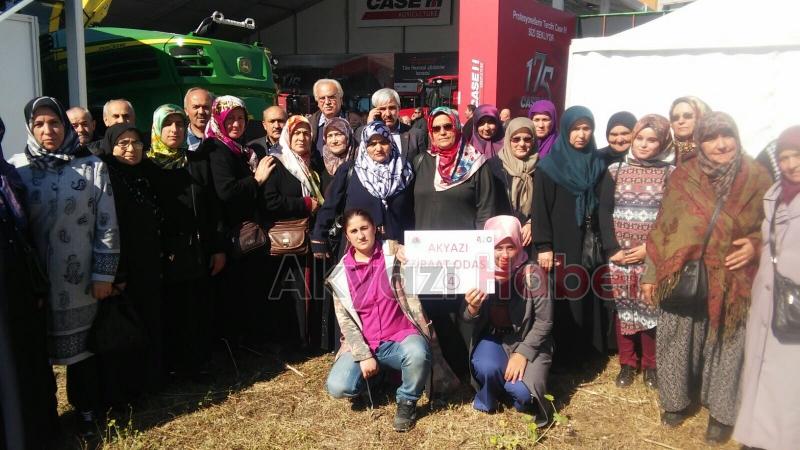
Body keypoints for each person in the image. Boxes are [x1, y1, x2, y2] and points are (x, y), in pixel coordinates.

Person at [641, 112, 771, 444]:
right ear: (700, 142)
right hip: (683, 274)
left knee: (727, 344)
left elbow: (773, 228)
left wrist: (756, 246)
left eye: (726, 135)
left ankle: (722, 413)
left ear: (737, 136)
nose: (721, 144)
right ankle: (675, 401)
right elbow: (662, 227)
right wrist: (651, 275)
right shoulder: (684, 175)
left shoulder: (757, 178)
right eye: (711, 138)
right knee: (676, 337)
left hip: (732, 276)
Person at [10, 96, 120, 436]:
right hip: (36, 284)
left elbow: (107, 223)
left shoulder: (90, 166)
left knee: (81, 353)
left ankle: (85, 413)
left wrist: (104, 274)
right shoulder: (18, 169)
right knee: (35, 355)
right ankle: (45, 418)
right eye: (39, 124)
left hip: (79, 281)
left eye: (54, 123)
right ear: (29, 128)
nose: (48, 130)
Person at [325, 209, 432, 432]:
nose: (361, 235)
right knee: (337, 386)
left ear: (374, 228)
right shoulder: (339, 275)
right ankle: (375, 379)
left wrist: (406, 249)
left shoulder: (394, 255)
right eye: (354, 231)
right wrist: (363, 355)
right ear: (347, 235)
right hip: (366, 342)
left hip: (400, 336)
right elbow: (346, 322)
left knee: (418, 354)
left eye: (364, 228)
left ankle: (407, 400)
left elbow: (423, 258)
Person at [413, 106, 494, 378]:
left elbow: (485, 213)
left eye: (448, 126)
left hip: (464, 258)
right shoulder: (421, 163)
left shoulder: (477, 164)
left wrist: (481, 259)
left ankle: (464, 371)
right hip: (428, 257)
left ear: (458, 128)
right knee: (433, 312)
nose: (442, 132)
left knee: (462, 312)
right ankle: (438, 374)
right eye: (436, 128)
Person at [734, 125, 800, 450]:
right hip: (768, 298)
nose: (791, 164)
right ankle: (757, 437)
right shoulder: (774, 195)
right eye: (785, 157)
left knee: (789, 381)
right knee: (761, 371)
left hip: (795, 305)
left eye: (797, 155)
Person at [148, 104, 226, 378]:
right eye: (168, 124)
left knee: (198, 308)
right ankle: (173, 366)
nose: (174, 130)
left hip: (198, 250)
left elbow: (212, 208)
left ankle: (199, 362)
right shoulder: (148, 167)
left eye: (179, 125)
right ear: (157, 128)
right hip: (166, 254)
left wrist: (216, 248)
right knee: (172, 310)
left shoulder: (194, 163)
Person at [598, 114, 674, 389]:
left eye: (651, 140)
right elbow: (605, 211)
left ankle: (650, 365)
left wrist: (649, 249)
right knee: (624, 308)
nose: (643, 144)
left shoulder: (669, 173)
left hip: (650, 256)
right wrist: (612, 248)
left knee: (649, 306)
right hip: (620, 256)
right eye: (640, 138)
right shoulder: (616, 170)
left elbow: (669, 219)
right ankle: (628, 363)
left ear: (663, 142)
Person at [532, 105, 606, 370]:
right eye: (576, 129)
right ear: (565, 130)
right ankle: (564, 355)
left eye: (587, 128)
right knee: (566, 296)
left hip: (589, 241)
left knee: (590, 292)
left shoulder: (597, 163)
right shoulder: (550, 166)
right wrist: (544, 246)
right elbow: (540, 208)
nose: (581, 135)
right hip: (561, 242)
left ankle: (588, 350)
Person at [0, 116, 58, 449]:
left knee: (28, 360)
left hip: (20, 280)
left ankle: (38, 432)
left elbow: (23, 229)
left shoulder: (8, 174)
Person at [460, 216, 552, 425]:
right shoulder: (478, 271)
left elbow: (545, 322)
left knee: (522, 394)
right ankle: (489, 395)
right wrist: (473, 306)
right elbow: (464, 317)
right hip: (495, 338)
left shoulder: (533, 273)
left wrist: (522, 354)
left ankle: (510, 385)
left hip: (527, 340)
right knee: (487, 368)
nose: (503, 255)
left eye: (510, 247)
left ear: (519, 244)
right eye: (497, 247)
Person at [96, 123, 163, 402]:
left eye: (135, 142)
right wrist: (116, 272)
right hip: (123, 267)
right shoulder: (107, 179)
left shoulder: (147, 174)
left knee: (150, 321)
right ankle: (126, 389)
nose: (130, 149)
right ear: (110, 146)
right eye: (122, 143)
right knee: (125, 328)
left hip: (149, 262)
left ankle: (151, 381)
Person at [204, 96, 276, 347]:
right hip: (229, 235)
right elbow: (226, 192)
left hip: (244, 235)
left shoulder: (239, 148)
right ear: (219, 120)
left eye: (240, 118)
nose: (236, 124)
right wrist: (256, 180)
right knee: (233, 292)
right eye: (230, 119)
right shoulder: (216, 149)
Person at [263, 115, 325, 350]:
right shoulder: (277, 162)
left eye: (306, 133)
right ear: (288, 136)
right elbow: (270, 201)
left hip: (307, 238)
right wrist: (305, 204)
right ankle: (290, 342)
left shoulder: (311, 164)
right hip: (286, 239)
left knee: (305, 288)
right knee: (287, 291)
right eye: (296, 133)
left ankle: (307, 339)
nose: (301, 138)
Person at [313, 121, 414, 259]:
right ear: (364, 146)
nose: (378, 148)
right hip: (358, 250)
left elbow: (412, 211)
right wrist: (319, 237)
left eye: (383, 142)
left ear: (391, 143)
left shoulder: (405, 171)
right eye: (372, 144)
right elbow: (330, 206)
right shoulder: (350, 170)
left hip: (397, 250)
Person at [488, 117, 537, 256]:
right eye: (516, 139)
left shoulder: (543, 168)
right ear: (508, 140)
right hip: (501, 241)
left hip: (530, 241)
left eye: (527, 139)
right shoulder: (493, 166)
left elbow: (547, 204)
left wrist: (533, 223)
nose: (522, 144)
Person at [361, 88, 428, 161]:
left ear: (399, 108)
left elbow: (422, 167)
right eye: (382, 109)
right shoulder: (360, 134)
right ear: (374, 111)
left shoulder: (416, 135)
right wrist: (370, 128)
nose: (388, 114)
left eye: (392, 108)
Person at [667, 95, 710, 162]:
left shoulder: (714, 152)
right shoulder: (665, 155)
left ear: (701, 117)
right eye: (675, 118)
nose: (681, 121)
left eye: (688, 116)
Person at [317, 117, 353, 193]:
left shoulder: (359, 160)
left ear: (347, 136)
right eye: (330, 136)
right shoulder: (320, 164)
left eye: (338, 134)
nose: (334, 141)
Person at [310, 79, 346, 155]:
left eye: (331, 97)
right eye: (322, 98)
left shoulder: (354, 123)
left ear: (340, 99)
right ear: (317, 102)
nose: (327, 102)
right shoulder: (309, 124)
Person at [183, 87, 213, 152]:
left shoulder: (221, 138)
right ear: (186, 111)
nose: (201, 112)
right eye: (196, 107)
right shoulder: (180, 139)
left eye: (205, 107)